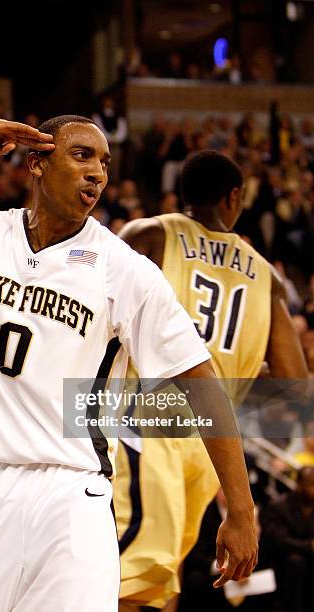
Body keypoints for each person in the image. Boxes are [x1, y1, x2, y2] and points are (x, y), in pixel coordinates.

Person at [0, 117, 257, 612]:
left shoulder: (124, 269)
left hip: (69, 493)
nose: (97, 172)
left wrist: (242, 509)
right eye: (81, 155)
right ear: (36, 161)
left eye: (104, 162)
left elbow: (199, 381)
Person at [114, 149, 308, 610]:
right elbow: (295, 384)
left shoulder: (150, 233)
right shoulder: (267, 276)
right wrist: (238, 373)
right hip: (210, 449)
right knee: (161, 578)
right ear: (235, 197)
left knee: (122, 570)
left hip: (146, 424)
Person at [262, 466, 314, 612]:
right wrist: (308, 547)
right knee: (296, 562)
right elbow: (280, 541)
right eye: (311, 485)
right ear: (299, 485)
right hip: (281, 560)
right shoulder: (279, 506)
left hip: (308, 560)